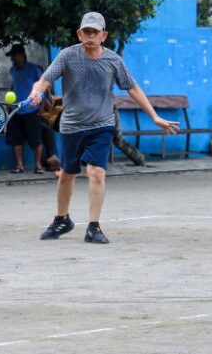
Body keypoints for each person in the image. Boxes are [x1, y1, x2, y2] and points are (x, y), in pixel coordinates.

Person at [28, 12, 178, 244]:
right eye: (85, 32)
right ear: (79, 34)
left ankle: (94, 227)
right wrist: (36, 92)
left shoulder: (113, 61)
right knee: (67, 174)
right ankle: (61, 219)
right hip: (71, 126)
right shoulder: (67, 55)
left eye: (94, 32)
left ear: (103, 35)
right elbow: (46, 79)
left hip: (101, 125)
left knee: (96, 172)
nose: (89, 36)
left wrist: (154, 116)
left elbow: (133, 88)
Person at [5, 44, 44, 174]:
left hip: (31, 109)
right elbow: (14, 86)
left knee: (35, 139)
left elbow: (43, 87)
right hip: (16, 109)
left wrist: (42, 105)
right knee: (16, 139)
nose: (12, 59)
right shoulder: (12, 70)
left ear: (21, 55)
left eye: (14, 56)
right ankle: (19, 165)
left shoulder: (34, 69)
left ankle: (38, 165)